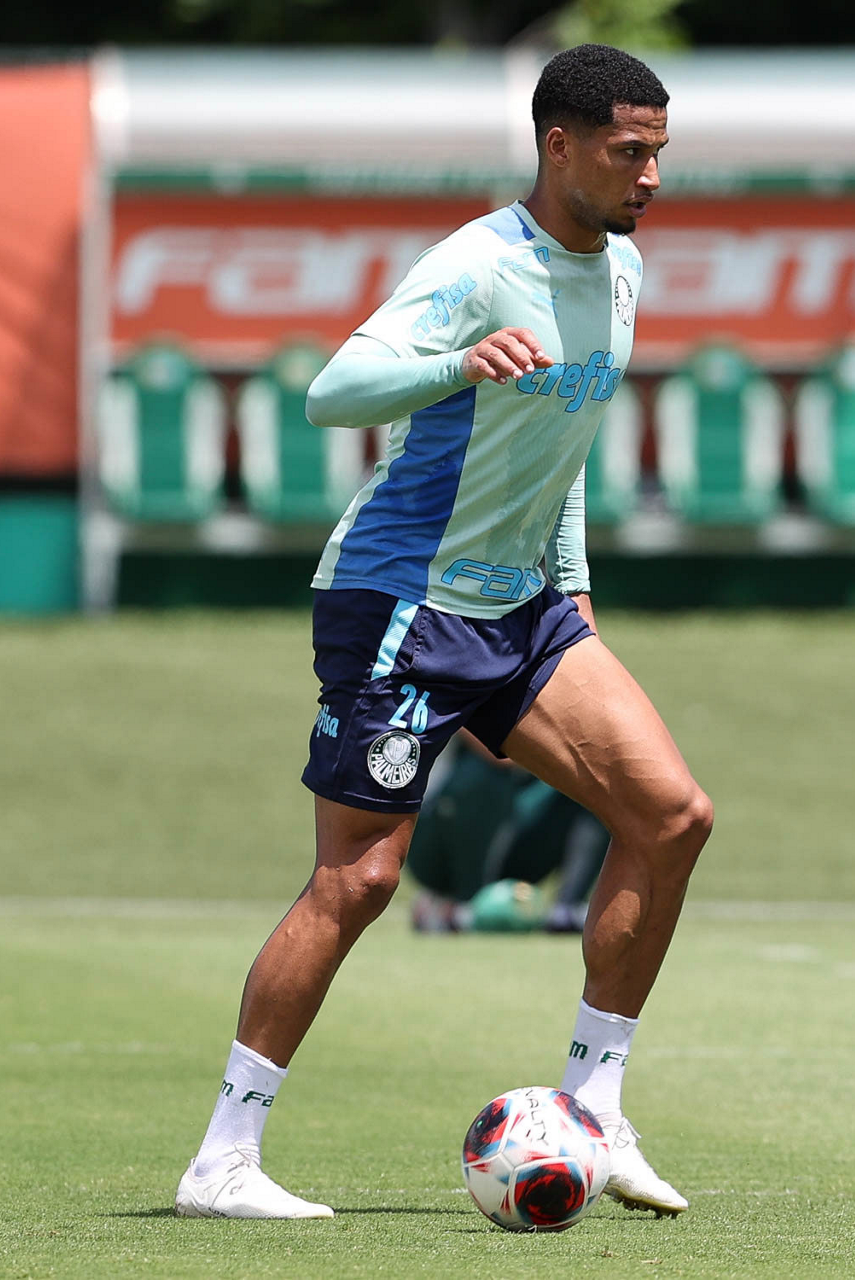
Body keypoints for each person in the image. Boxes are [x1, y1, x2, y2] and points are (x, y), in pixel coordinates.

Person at [175, 42, 713, 1222]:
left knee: (670, 815)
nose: (649, 176)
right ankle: (222, 1156)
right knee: (361, 878)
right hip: (403, 604)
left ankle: (596, 1109)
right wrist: (454, 361)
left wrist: (571, 583)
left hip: (523, 607)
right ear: (558, 146)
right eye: (628, 151)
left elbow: (560, 442)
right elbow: (329, 391)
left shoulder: (621, 272)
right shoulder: (474, 265)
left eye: (658, 152)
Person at [407, 732, 610, 934]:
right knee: (481, 775)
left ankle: (565, 910)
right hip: (435, 842)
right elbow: (499, 757)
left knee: (598, 781)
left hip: (514, 836)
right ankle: (465, 903)